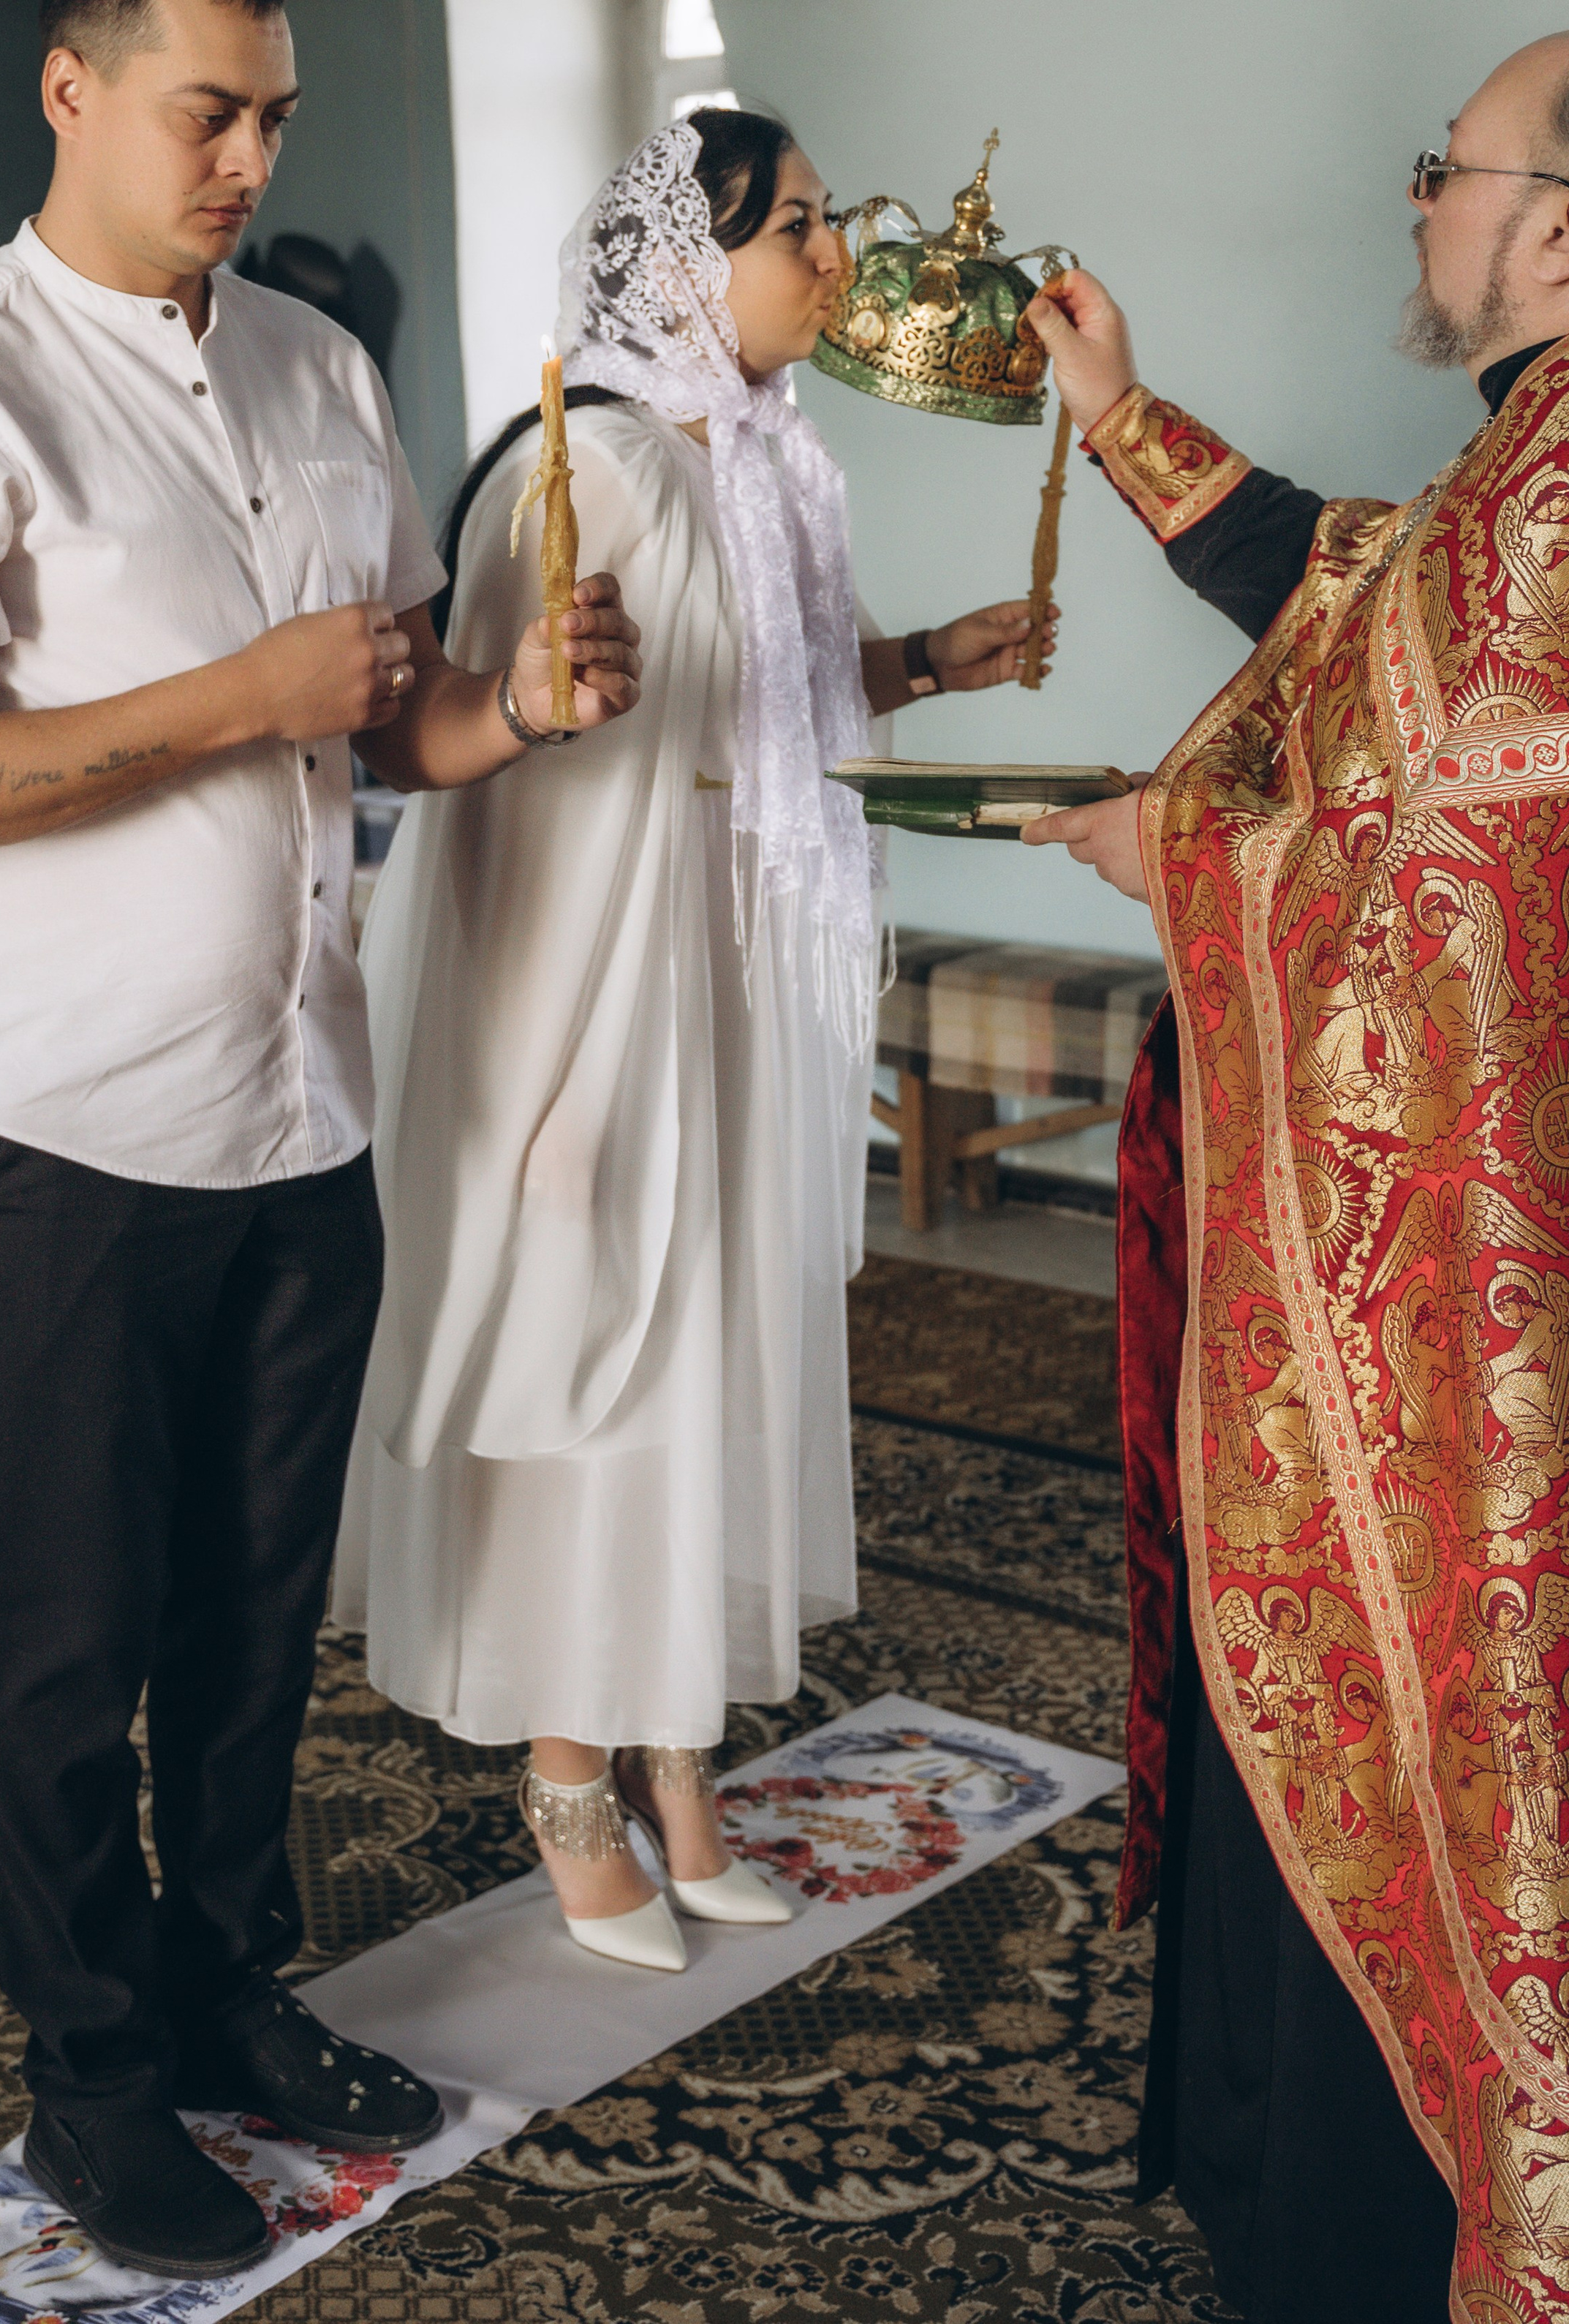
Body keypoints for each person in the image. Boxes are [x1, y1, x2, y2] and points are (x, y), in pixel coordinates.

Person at [0, 0, 640, 2281]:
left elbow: (392, 724)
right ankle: (91, 2082)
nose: (254, 158)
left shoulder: (315, 365)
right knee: (78, 1638)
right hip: (68, 1124)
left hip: (304, 1101)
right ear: (69, 90)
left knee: (258, 1616)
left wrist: (521, 706)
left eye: (276, 115)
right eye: (209, 112)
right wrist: (237, 698)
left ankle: (225, 1989)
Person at [1019, 27, 1569, 2324]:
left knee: (1498, 1709)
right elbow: (1360, 601)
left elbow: (1466, 878)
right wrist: (1120, 412)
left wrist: (1179, 855)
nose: (1421, 202)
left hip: (1501, 1321)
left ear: (1565, 227)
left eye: (1447, 168)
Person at [333, 111, 1040, 1966]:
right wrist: (545, 1075)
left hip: (728, 982)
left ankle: (674, 1752)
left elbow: (774, 697)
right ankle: (568, 1773)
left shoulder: (768, 458)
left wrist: (929, 662)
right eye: (799, 226)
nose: (836, 260)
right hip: (600, 989)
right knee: (603, 1364)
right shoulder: (595, 467)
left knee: (708, 1351)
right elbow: (514, 793)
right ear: (680, 262)